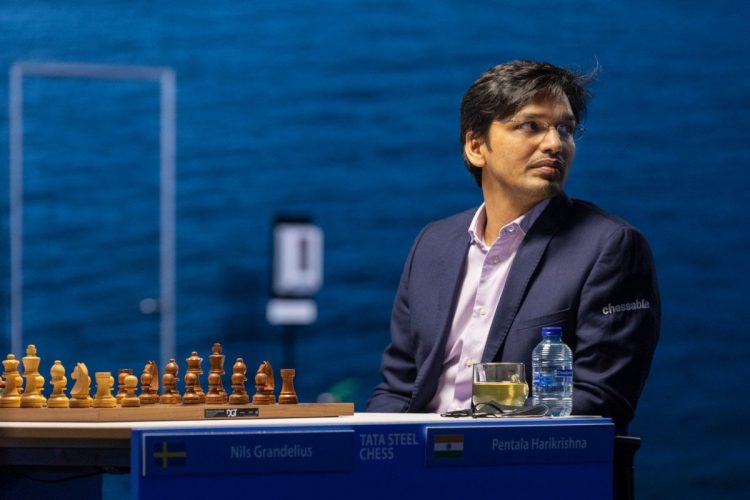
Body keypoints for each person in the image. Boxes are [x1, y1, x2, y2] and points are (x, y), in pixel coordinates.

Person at [367, 60, 660, 432]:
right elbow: (397, 388)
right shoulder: (433, 244)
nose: (555, 144)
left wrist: (467, 433)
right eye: (531, 126)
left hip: (523, 466)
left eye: (565, 129)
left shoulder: (610, 247)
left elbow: (602, 398)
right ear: (476, 146)